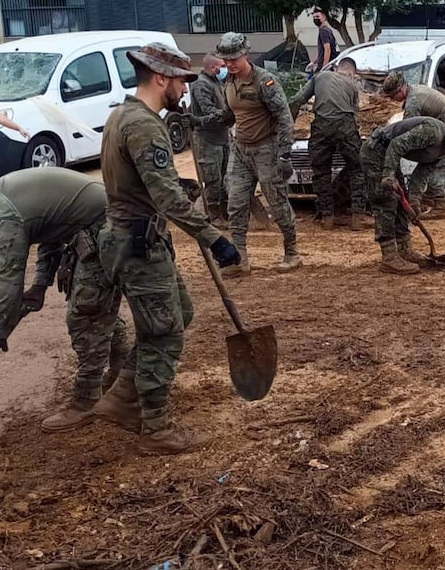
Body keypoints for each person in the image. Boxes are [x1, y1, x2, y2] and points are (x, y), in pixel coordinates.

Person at [96, 42, 240, 455]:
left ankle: (123, 397)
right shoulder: (143, 125)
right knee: (164, 332)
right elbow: (167, 200)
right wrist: (215, 239)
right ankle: (156, 428)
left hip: (140, 238)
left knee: (181, 312)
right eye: (180, 81)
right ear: (161, 79)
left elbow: (151, 188)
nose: (184, 89)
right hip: (138, 244)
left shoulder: (123, 115)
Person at [0, 166, 130, 432]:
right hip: (100, 223)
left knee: (85, 313)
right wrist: (39, 286)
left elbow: (9, 280)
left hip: (112, 227)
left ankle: (87, 401)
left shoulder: (7, 216)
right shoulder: (4, 192)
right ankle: (122, 373)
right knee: (92, 306)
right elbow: (53, 231)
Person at [214, 31, 301, 275]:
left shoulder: (265, 81)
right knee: (236, 203)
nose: (230, 64)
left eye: (234, 59)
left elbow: (284, 118)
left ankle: (292, 252)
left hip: (266, 149)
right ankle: (240, 259)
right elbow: (231, 115)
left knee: (276, 200)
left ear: (246, 55)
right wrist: (202, 121)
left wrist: (284, 154)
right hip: (240, 149)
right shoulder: (228, 82)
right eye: (226, 60)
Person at [360, 116, 445, 275]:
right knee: (386, 201)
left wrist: (414, 202)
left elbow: (420, 175)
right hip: (375, 152)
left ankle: (404, 249)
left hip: (389, 156)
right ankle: (389, 257)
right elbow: (397, 145)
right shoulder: (433, 133)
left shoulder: (444, 152)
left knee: (401, 201)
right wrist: (389, 174)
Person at [288, 57, 363, 228]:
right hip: (345, 125)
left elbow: (296, 100)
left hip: (321, 125)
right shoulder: (352, 86)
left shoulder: (320, 77)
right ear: (351, 73)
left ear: (337, 68)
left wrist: (289, 126)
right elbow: (354, 115)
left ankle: (327, 217)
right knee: (357, 168)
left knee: (321, 171)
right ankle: (358, 216)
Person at [381, 71, 445, 212]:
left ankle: (439, 204)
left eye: (393, 96)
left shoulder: (412, 103)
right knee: (431, 164)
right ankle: (427, 200)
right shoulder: (415, 89)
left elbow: (408, 132)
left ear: (400, 90)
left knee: (436, 164)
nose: (393, 100)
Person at [189, 54, 234, 225]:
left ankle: (224, 212)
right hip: (208, 139)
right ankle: (215, 216)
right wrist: (227, 116)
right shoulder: (202, 85)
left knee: (223, 178)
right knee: (213, 179)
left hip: (221, 138)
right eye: (222, 66)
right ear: (213, 67)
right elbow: (208, 111)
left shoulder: (216, 82)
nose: (225, 68)